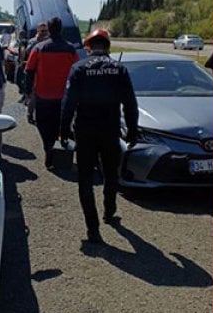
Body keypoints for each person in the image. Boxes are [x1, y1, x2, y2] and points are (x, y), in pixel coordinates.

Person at [60, 29, 138, 244]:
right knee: (111, 172)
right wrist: (132, 130)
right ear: (108, 46)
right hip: (110, 129)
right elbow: (130, 103)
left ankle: (92, 229)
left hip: (85, 131)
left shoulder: (78, 68)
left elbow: (68, 103)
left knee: (85, 179)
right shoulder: (119, 69)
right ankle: (109, 210)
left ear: (88, 47)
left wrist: (63, 130)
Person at [25, 16, 79, 169]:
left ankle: (48, 147)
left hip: (43, 94)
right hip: (64, 97)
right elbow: (77, 71)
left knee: (43, 124)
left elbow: (29, 70)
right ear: (61, 29)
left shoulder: (39, 48)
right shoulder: (70, 49)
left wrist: (28, 91)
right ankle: (57, 143)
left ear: (48, 29)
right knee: (60, 124)